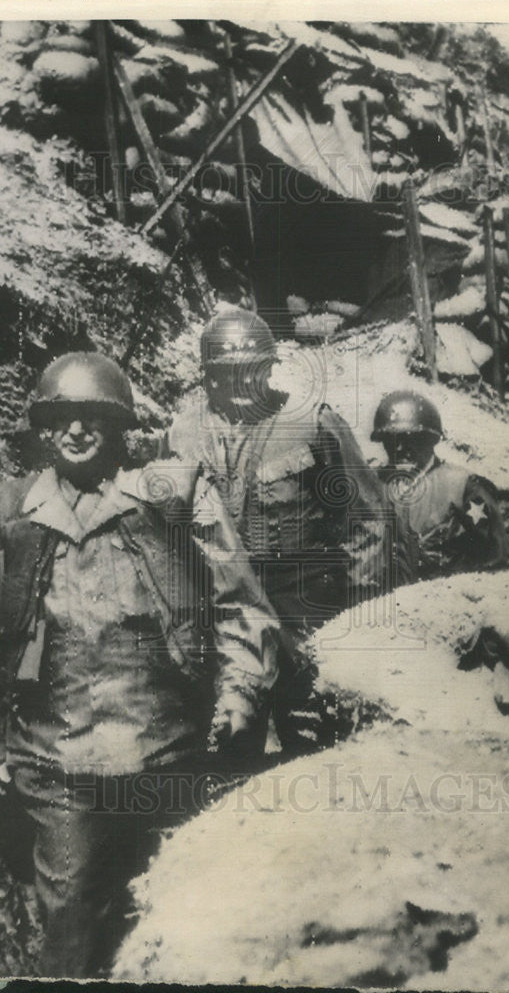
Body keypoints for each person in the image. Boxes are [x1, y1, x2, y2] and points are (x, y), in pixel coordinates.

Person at [0, 352, 277, 978]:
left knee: (184, 921)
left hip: (171, 753)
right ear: (43, 430)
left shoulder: (176, 494)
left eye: (93, 416)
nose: (76, 430)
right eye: (61, 418)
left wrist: (241, 693)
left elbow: (241, 604)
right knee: (72, 923)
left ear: (120, 424)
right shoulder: (11, 514)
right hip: (57, 762)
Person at [167, 308, 393, 752]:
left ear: (269, 370)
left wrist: (355, 615)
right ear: (207, 376)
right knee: (229, 744)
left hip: (302, 611)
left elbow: (369, 519)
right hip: (222, 616)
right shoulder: (181, 434)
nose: (237, 385)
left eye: (250, 373)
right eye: (223, 375)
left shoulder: (310, 423)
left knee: (312, 744)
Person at [371, 390, 509, 582]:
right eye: (390, 441)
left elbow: (498, 560)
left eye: (407, 438)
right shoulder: (376, 486)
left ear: (430, 439)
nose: (398, 449)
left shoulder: (464, 487)